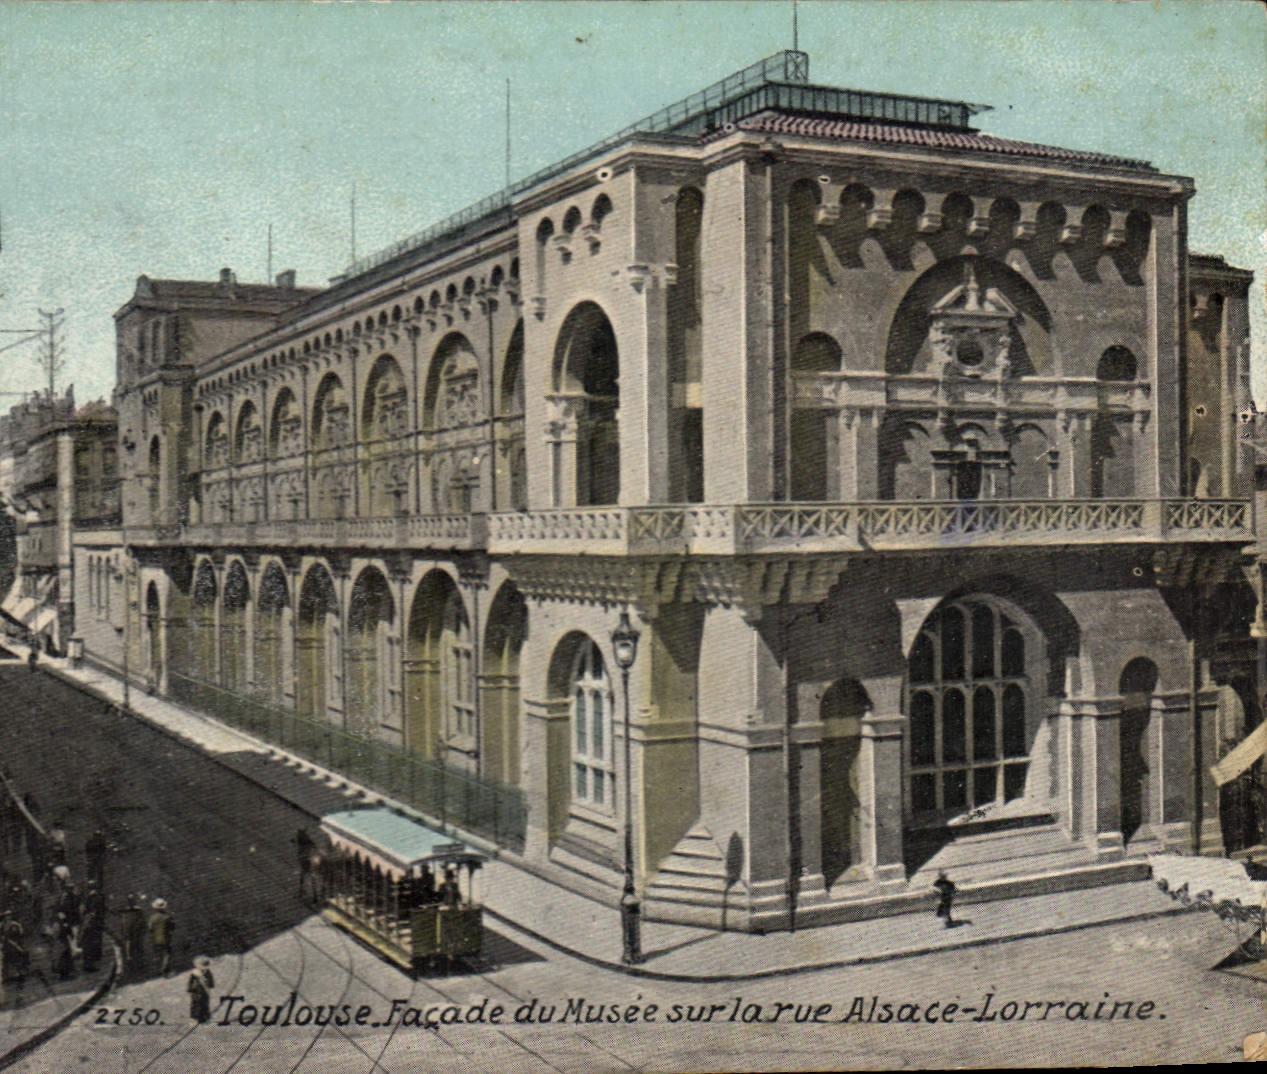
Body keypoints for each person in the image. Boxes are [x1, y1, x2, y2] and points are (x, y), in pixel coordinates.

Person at [118, 894, 147, 974]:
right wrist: (143, 928)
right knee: (138, 946)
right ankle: (139, 962)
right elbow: (142, 921)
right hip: (135, 930)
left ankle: (130, 960)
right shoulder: (138, 910)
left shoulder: (125, 912)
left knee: (129, 945)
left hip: (129, 930)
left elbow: (123, 922)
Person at [148, 897, 174, 976]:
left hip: (155, 938)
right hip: (165, 938)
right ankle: (165, 970)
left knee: (158, 955)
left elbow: (150, 928)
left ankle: (158, 970)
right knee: (167, 954)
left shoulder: (152, 918)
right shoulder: (167, 917)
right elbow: (172, 927)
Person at [187, 955, 215, 1023]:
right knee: (196, 1004)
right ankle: (195, 1018)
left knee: (205, 1004)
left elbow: (210, 980)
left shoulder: (207, 972)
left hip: (205, 991)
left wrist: (210, 984)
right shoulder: (195, 973)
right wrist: (190, 988)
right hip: (196, 991)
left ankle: (205, 1018)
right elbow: (191, 982)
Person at [294, 828, 315, 900]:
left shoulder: (300, 839)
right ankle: (314, 894)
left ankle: (301, 892)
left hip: (303, 859)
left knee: (303, 875)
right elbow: (314, 846)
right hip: (308, 858)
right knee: (310, 875)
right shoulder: (308, 840)